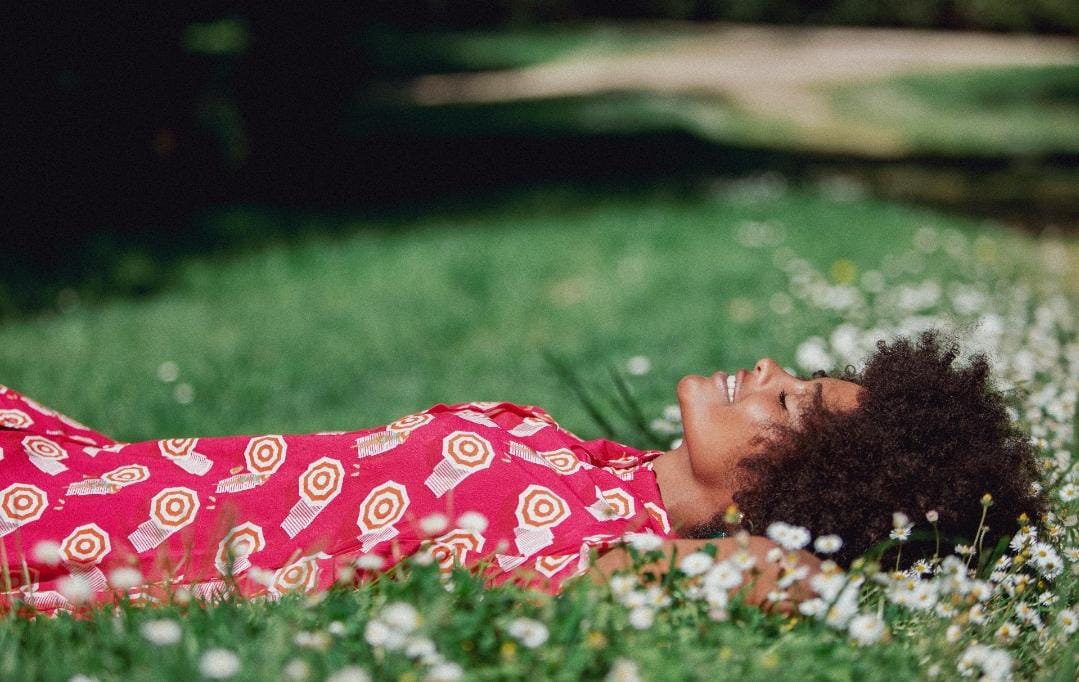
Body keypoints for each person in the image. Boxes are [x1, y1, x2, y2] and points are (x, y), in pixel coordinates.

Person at [0, 331, 1045, 614]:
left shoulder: (602, 548)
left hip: (91, 537)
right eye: (791, 375)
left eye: (787, 405)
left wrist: (810, 565)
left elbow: (779, 579)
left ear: (789, 499)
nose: (767, 369)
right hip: (102, 477)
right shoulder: (591, 472)